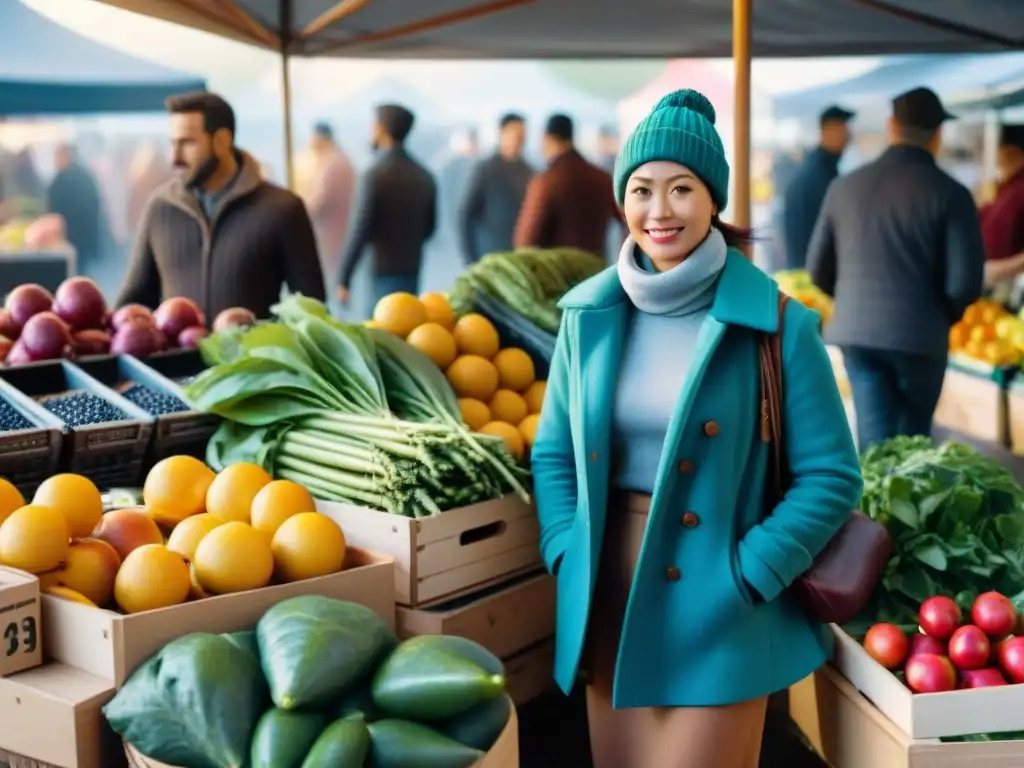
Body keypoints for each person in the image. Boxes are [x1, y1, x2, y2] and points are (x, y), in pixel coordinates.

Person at [532, 88, 862, 768]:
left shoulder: (778, 323)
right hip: (608, 587)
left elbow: (832, 476)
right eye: (643, 189)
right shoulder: (586, 318)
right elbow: (554, 454)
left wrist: (751, 574)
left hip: (721, 599)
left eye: (681, 188)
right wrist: (565, 547)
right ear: (622, 199)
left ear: (713, 199)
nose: (660, 211)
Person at [807, 87, 984, 451]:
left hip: (857, 334)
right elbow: (965, 283)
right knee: (913, 448)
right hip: (922, 337)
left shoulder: (844, 186)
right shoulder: (950, 193)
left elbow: (816, 270)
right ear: (937, 134)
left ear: (891, 126)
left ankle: (871, 505)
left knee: (873, 442)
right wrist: (937, 315)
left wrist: (855, 298)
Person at [117, 92, 325, 319]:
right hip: (177, 356)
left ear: (222, 141)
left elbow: (311, 311)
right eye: (173, 143)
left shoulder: (283, 209)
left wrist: (259, 336)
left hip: (252, 354)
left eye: (187, 143)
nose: (174, 158)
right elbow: (132, 304)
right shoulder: (160, 207)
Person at [337, 104, 437, 310]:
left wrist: (344, 278)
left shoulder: (374, 175)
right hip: (412, 268)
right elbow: (430, 229)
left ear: (382, 129)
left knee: (379, 333)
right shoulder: (425, 176)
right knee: (408, 328)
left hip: (380, 271)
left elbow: (360, 230)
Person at [513, 114, 620, 257]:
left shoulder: (547, 181)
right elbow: (626, 219)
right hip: (595, 270)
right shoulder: (602, 178)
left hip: (557, 273)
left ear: (547, 139)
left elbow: (525, 240)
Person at [780, 105, 855, 270]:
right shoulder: (819, 173)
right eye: (843, 128)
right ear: (827, 130)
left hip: (805, 268)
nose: (848, 136)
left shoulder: (819, 167)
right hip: (810, 271)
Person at [458, 113, 533, 263]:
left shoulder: (530, 172)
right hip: (490, 257)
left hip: (520, 258)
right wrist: (471, 259)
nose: (519, 139)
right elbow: (467, 215)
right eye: (514, 133)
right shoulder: (485, 169)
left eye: (522, 134)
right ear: (501, 133)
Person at [297, 122, 356, 290]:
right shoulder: (343, 161)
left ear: (321, 138)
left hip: (332, 237)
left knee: (330, 286)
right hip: (340, 235)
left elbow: (317, 203)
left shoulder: (332, 165)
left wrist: (293, 210)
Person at [47, 143, 107, 278]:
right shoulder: (86, 177)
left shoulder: (60, 179)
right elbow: (96, 207)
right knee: (81, 270)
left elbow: (52, 211)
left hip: (68, 235)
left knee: (70, 273)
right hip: (84, 235)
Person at [979, 125, 1024, 285]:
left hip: (1008, 281)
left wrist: (999, 269)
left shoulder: (1019, 189)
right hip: (986, 276)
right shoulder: (1001, 189)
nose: (1000, 159)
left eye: (1007, 154)